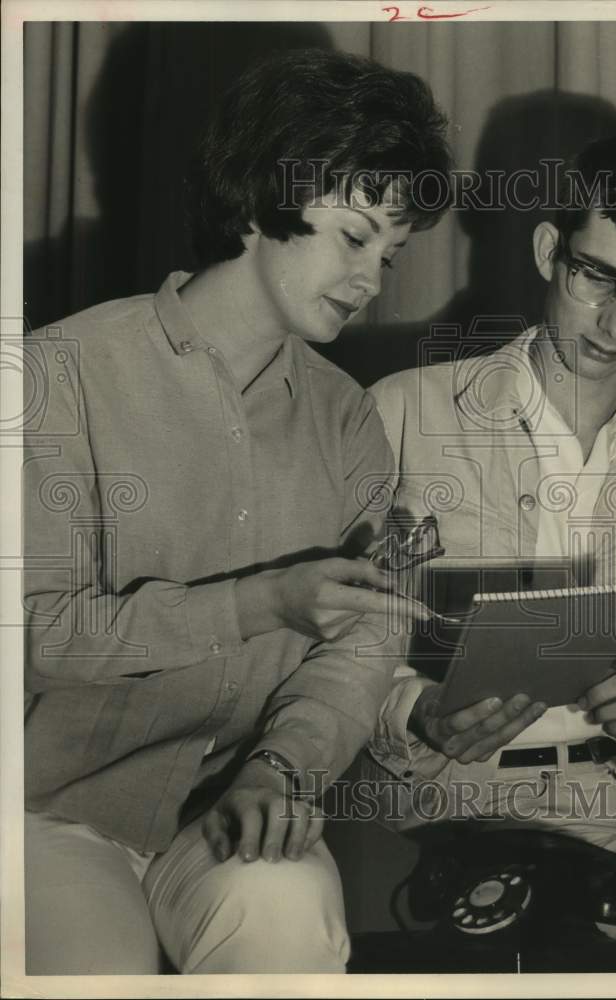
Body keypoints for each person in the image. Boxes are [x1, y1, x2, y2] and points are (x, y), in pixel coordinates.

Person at [23, 48, 451, 974]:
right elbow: (37, 636)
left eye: (392, 248)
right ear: (264, 199)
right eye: (353, 234)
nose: (375, 276)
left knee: (286, 916)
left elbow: (363, 645)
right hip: (43, 813)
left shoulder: (347, 418)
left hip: (229, 806)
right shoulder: (61, 375)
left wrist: (283, 767)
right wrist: (263, 602)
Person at [361, 132, 616, 970]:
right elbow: (306, 647)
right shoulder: (401, 415)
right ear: (551, 250)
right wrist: (416, 710)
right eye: (599, 278)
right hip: (422, 814)